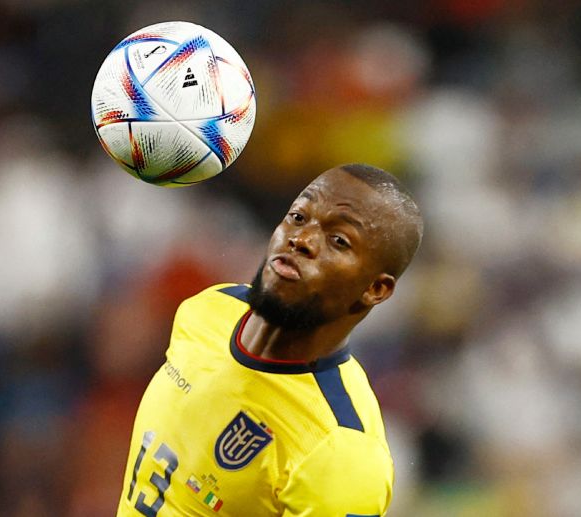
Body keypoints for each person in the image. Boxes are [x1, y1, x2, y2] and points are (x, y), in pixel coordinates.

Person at [116, 163, 423, 516]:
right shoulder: (209, 309)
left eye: (338, 240)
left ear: (376, 289)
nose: (301, 240)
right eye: (298, 217)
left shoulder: (340, 452)